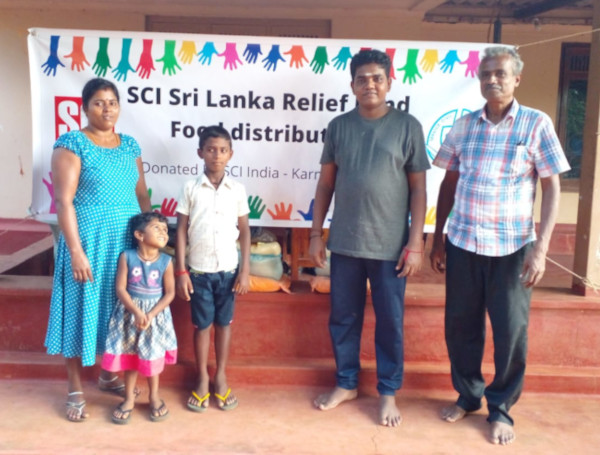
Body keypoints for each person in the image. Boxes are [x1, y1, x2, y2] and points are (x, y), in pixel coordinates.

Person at [430, 46, 570, 445]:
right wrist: (438, 239)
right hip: (463, 244)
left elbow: (551, 187)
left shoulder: (535, 123)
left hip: (512, 249)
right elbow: (449, 184)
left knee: (510, 333)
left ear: (516, 79)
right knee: (460, 327)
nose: (492, 80)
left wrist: (540, 249)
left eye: (500, 74)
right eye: (486, 74)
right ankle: (469, 396)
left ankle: (502, 408)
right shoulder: (463, 125)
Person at [308, 49, 429, 427]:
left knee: (390, 321)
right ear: (352, 85)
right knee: (343, 318)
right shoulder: (339, 126)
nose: (370, 84)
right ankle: (346, 384)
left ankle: (388, 393)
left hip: (391, 248)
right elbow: (326, 183)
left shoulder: (408, 126)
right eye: (363, 79)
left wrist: (416, 243)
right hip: (344, 243)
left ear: (390, 82)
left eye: (377, 77)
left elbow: (419, 191)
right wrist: (316, 234)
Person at [45, 77, 151, 422]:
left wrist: (146, 240)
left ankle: (108, 376)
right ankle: (75, 388)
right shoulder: (73, 143)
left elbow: (142, 197)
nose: (107, 109)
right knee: (80, 307)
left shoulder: (130, 145)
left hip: (123, 242)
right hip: (88, 240)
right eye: (99, 103)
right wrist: (74, 250)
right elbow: (63, 201)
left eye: (113, 102)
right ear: (85, 107)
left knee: (117, 310)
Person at [175, 125, 251, 412]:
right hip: (199, 272)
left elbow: (244, 231)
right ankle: (202, 377)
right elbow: (181, 230)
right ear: (200, 153)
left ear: (230, 154)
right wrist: (181, 271)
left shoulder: (237, 189)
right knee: (202, 325)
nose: (216, 155)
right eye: (210, 149)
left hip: (229, 271)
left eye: (222, 150)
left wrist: (245, 270)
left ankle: (220, 375)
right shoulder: (190, 188)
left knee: (224, 323)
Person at [101, 212, 177, 424]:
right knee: (131, 357)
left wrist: (150, 314)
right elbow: (120, 289)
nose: (163, 232)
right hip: (129, 315)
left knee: (152, 357)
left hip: (155, 317)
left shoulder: (166, 261)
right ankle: (129, 399)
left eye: (165, 229)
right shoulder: (127, 257)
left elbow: (169, 293)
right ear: (139, 234)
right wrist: (136, 311)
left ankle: (154, 397)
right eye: (156, 228)